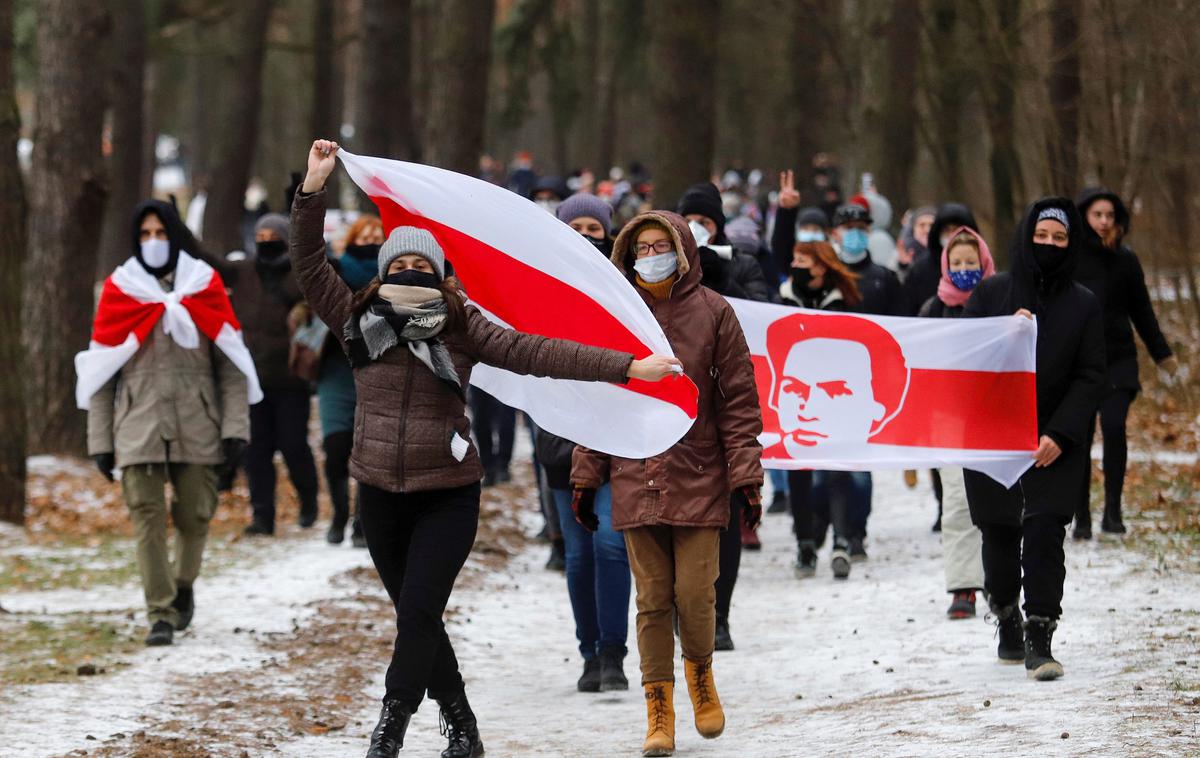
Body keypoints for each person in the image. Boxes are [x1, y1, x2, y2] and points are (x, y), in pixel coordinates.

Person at [292, 139, 681, 758]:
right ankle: (463, 725)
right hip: (379, 495)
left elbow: (539, 352)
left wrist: (628, 367)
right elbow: (310, 263)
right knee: (417, 618)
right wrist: (313, 189)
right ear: (384, 270)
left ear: (440, 274)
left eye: (423, 266)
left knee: (418, 609)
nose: (410, 273)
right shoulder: (354, 320)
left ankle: (389, 725)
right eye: (400, 266)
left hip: (446, 495)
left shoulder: (462, 325)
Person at [572, 211, 763, 757]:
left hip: (700, 471)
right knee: (653, 598)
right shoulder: (618, 315)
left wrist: (746, 476)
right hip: (637, 473)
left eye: (661, 246)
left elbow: (739, 402)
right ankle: (659, 707)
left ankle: (701, 676)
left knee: (695, 593)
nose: (651, 255)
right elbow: (599, 402)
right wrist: (587, 476)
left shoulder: (715, 313)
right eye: (642, 247)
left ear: (682, 252)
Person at [83, 200, 253, 646]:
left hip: (199, 422)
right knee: (147, 518)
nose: (153, 242)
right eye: (145, 234)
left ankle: (182, 586)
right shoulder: (121, 290)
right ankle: (159, 612)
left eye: (161, 233)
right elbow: (101, 373)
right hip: (137, 425)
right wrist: (100, 441)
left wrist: (236, 428)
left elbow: (232, 364)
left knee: (196, 515)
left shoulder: (204, 284)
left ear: (175, 235)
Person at [963, 198, 1105, 682]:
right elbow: (965, 364)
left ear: (1071, 245)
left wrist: (1061, 433)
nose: (1048, 244)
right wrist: (1006, 335)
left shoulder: (1085, 304)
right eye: (1041, 235)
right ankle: (1005, 614)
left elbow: (1091, 376)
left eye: (1059, 238)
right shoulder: (991, 295)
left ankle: (1040, 635)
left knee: (1045, 531)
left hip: (1056, 441)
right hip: (994, 438)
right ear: (1026, 237)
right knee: (1000, 532)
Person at [535, 192, 632, 693]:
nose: (585, 237)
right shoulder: (539, 285)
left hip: (617, 437)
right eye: (576, 228)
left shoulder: (625, 287)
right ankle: (589, 652)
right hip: (561, 438)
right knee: (579, 555)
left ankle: (614, 652)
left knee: (612, 545)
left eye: (594, 229)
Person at [194, 209, 321, 536]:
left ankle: (309, 501)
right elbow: (206, 260)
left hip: (291, 381)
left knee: (294, 446)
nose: (266, 243)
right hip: (252, 383)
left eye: (273, 238)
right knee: (256, 453)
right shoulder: (243, 272)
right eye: (261, 238)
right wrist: (177, 228)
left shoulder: (300, 274)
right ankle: (263, 517)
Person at [1072, 187, 1176, 538]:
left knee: (1114, 428)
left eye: (1110, 216)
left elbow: (1141, 310)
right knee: (1079, 438)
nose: (1103, 222)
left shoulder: (1125, 259)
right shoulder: (1070, 258)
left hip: (1118, 359)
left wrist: (1162, 354)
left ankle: (1113, 510)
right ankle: (1081, 514)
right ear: (1084, 216)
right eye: (1097, 215)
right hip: (1078, 362)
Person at [918, 227, 995, 618]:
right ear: (946, 266)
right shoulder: (933, 309)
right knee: (958, 501)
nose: (965, 269)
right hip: (948, 419)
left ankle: (999, 582)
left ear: (984, 264)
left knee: (1000, 503)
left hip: (994, 417)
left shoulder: (1002, 301)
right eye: (958, 263)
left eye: (972, 263)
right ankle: (963, 586)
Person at [828, 203, 906, 560]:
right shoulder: (826, 276)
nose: (854, 233)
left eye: (861, 227)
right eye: (848, 227)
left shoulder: (883, 279)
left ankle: (857, 532)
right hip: (825, 387)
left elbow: (901, 331)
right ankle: (837, 534)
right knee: (830, 469)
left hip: (866, 389)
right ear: (836, 233)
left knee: (860, 472)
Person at [317, 213, 383, 546]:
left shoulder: (393, 278)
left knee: (367, 451)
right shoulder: (337, 269)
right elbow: (310, 263)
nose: (371, 238)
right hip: (336, 370)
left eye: (378, 233)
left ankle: (361, 519)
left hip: (376, 369)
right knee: (335, 447)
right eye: (365, 233)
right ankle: (339, 512)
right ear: (352, 238)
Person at [677, 182, 773, 302]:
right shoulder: (668, 259)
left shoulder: (744, 265)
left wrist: (722, 281)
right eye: (688, 222)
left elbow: (757, 311)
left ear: (718, 226)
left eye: (703, 223)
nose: (694, 228)